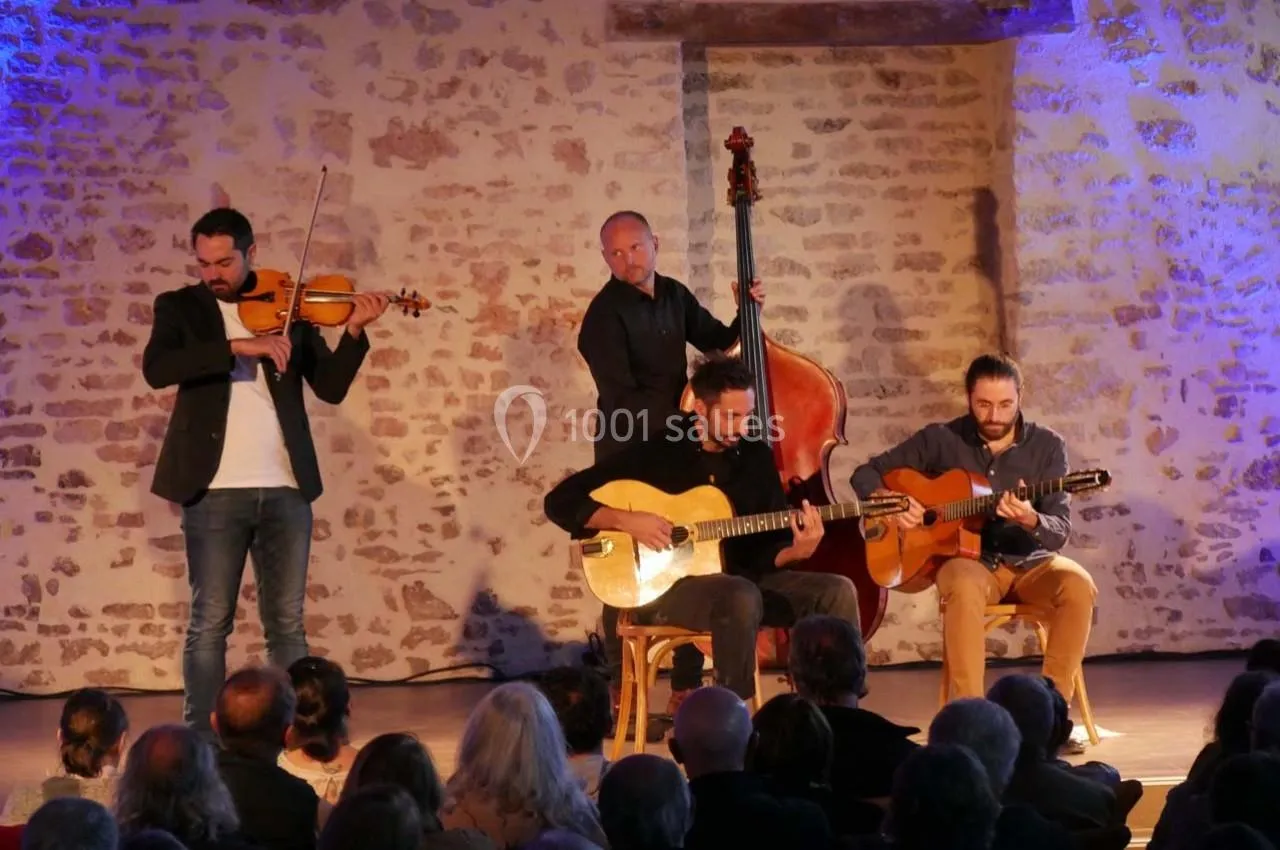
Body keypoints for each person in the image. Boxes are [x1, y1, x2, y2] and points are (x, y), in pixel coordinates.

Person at [142, 207, 391, 736]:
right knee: (209, 624)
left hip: (285, 486)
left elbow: (330, 387)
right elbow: (158, 368)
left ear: (251, 253)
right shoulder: (180, 307)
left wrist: (353, 330)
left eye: (225, 262)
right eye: (205, 263)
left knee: (287, 625)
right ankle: (203, 740)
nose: (214, 274)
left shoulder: (287, 305)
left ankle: (296, 734)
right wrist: (237, 346)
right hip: (213, 489)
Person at [544, 353, 860, 714]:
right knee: (738, 594)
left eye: (747, 416)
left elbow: (765, 549)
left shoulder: (755, 457)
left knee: (837, 591)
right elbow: (560, 501)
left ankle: (838, 713)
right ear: (699, 408)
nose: (742, 427)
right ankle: (731, 716)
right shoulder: (658, 452)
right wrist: (626, 520)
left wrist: (795, 552)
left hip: (745, 584)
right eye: (731, 416)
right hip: (670, 593)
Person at [577, 211, 764, 707]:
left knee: (690, 553)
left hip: (678, 442)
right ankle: (624, 687)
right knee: (624, 564)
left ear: (655, 243)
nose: (628, 260)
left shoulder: (675, 295)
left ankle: (685, 686)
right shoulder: (602, 318)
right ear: (605, 258)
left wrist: (747, 311)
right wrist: (687, 415)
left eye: (636, 248)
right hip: (630, 449)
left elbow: (719, 343)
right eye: (616, 253)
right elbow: (623, 396)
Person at [849, 354, 1097, 713]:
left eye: (1005, 404)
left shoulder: (1047, 446)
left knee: (1078, 585)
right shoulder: (940, 439)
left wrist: (1030, 519)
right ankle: (972, 715)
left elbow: (1059, 532)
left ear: (1021, 396)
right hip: (970, 561)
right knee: (963, 585)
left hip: (1033, 562)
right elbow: (865, 474)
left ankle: (1053, 712)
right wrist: (891, 502)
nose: (994, 415)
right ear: (968, 397)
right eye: (984, 404)